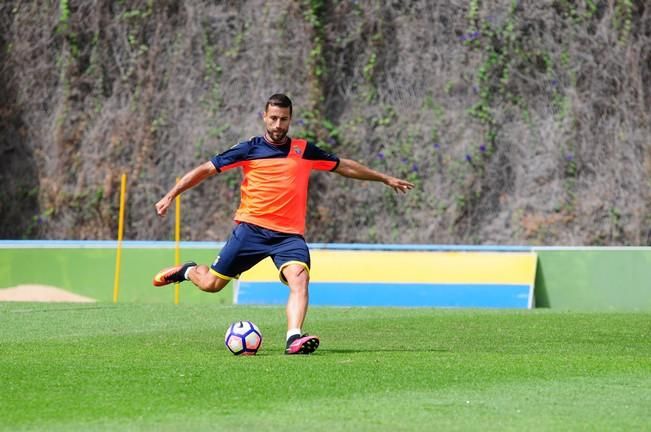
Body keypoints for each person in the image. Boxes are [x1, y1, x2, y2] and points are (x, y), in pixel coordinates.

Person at [153, 93, 414, 355]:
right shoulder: (248, 149)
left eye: (284, 119)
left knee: (299, 280)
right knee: (211, 284)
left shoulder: (303, 150)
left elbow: (344, 166)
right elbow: (205, 169)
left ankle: (293, 338)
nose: (278, 125)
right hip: (251, 229)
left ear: (291, 119)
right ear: (264, 117)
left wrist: (384, 178)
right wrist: (171, 195)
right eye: (274, 118)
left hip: (288, 236)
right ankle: (188, 271)